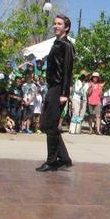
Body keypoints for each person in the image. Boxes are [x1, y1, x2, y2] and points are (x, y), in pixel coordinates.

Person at [36, 15, 74, 172]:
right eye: (55, 23)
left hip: (59, 88)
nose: (56, 26)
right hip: (52, 87)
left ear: (66, 27)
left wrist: (64, 93)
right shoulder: (56, 43)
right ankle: (64, 159)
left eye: (59, 24)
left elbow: (67, 71)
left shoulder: (66, 45)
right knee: (46, 124)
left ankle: (51, 161)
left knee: (50, 125)